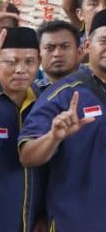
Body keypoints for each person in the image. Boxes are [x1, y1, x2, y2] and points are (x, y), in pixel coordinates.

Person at [19, 6, 106, 232]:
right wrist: (53, 137)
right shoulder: (61, 94)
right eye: (104, 41)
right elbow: (27, 156)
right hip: (74, 221)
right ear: (87, 45)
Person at [0, 27, 44, 232]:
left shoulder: (47, 102)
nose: (20, 69)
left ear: (39, 62)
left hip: (33, 221)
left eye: (29, 61)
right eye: (10, 62)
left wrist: (47, 214)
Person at [35, 20, 83, 94]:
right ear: (38, 55)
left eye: (65, 47)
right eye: (50, 48)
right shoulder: (29, 93)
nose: (57, 54)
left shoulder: (95, 88)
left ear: (79, 52)